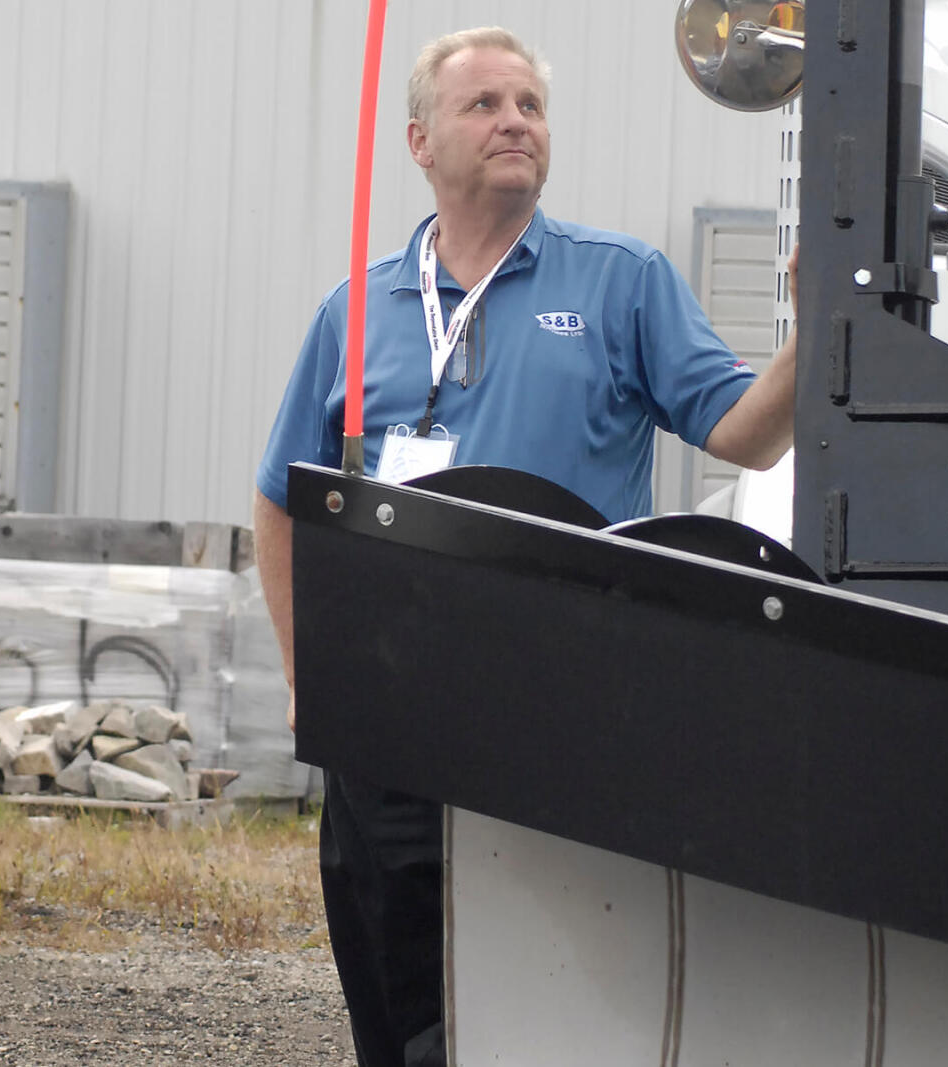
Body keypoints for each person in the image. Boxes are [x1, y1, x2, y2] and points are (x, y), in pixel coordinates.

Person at [253, 26, 798, 1067]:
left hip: (567, 716)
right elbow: (280, 499)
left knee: (568, 995)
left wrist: (819, 320)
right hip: (393, 717)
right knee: (403, 1002)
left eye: (530, 106)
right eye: (485, 105)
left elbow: (745, 432)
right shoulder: (357, 309)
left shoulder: (620, 282)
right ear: (419, 140)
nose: (514, 122)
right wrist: (304, 676)